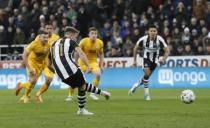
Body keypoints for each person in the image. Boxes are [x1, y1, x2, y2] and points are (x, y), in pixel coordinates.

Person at [48, 26, 110, 115]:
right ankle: (82, 110)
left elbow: (48, 64)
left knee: (82, 85)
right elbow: (80, 53)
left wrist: (57, 72)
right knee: (82, 86)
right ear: (70, 34)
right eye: (75, 36)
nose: (75, 38)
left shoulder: (53, 44)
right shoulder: (71, 41)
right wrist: (88, 66)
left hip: (61, 75)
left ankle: (103, 93)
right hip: (70, 68)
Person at [128, 24, 170, 100]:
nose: (153, 32)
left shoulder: (160, 39)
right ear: (148, 32)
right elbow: (135, 49)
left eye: (154, 31)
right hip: (146, 58)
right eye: (151, 31)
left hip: (155, 60)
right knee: (147, 74)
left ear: (156, 32)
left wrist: (164, 59)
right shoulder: (143, 39)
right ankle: (146, 95)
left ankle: (136, 85)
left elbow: (167, 51)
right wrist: (134, 61)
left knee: (146, 77)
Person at [66, 27, 104, 101]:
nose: (94, 35)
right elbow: (77, 53)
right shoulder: (83, 42)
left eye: (95, 33)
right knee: (74, 78)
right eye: (92, 33)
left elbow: (101, 54)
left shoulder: (100, 43)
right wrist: (76, 63)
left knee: (98, 74)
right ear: (89, 34)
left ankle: (92, 94)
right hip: (82, 62)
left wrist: (101, 65)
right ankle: (70, 96)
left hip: (93, 62)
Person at [15, 30, 51, 103]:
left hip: (41, 64)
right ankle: (26, 96)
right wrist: (29, 67)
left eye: (47, 37)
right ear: (39, 37)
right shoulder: (34, 44)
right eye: (44, 37)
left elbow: (48, 56)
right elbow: (24, 55)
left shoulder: (48, 45)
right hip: (32, 63)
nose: (46, 39)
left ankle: (21, 85)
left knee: (33, 83)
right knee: (33, 80)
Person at [34, 23, 59, 103]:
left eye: (50, 28)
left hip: (49, 62)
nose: (49, 30)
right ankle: (26, 95)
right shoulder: (39, 37)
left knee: (49, 80)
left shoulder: (57, 38)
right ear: (44, 29)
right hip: (39, 61)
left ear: (53, 29)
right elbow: (35, 48)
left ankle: (38, 94)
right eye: (47, 28)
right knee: (33, 80)